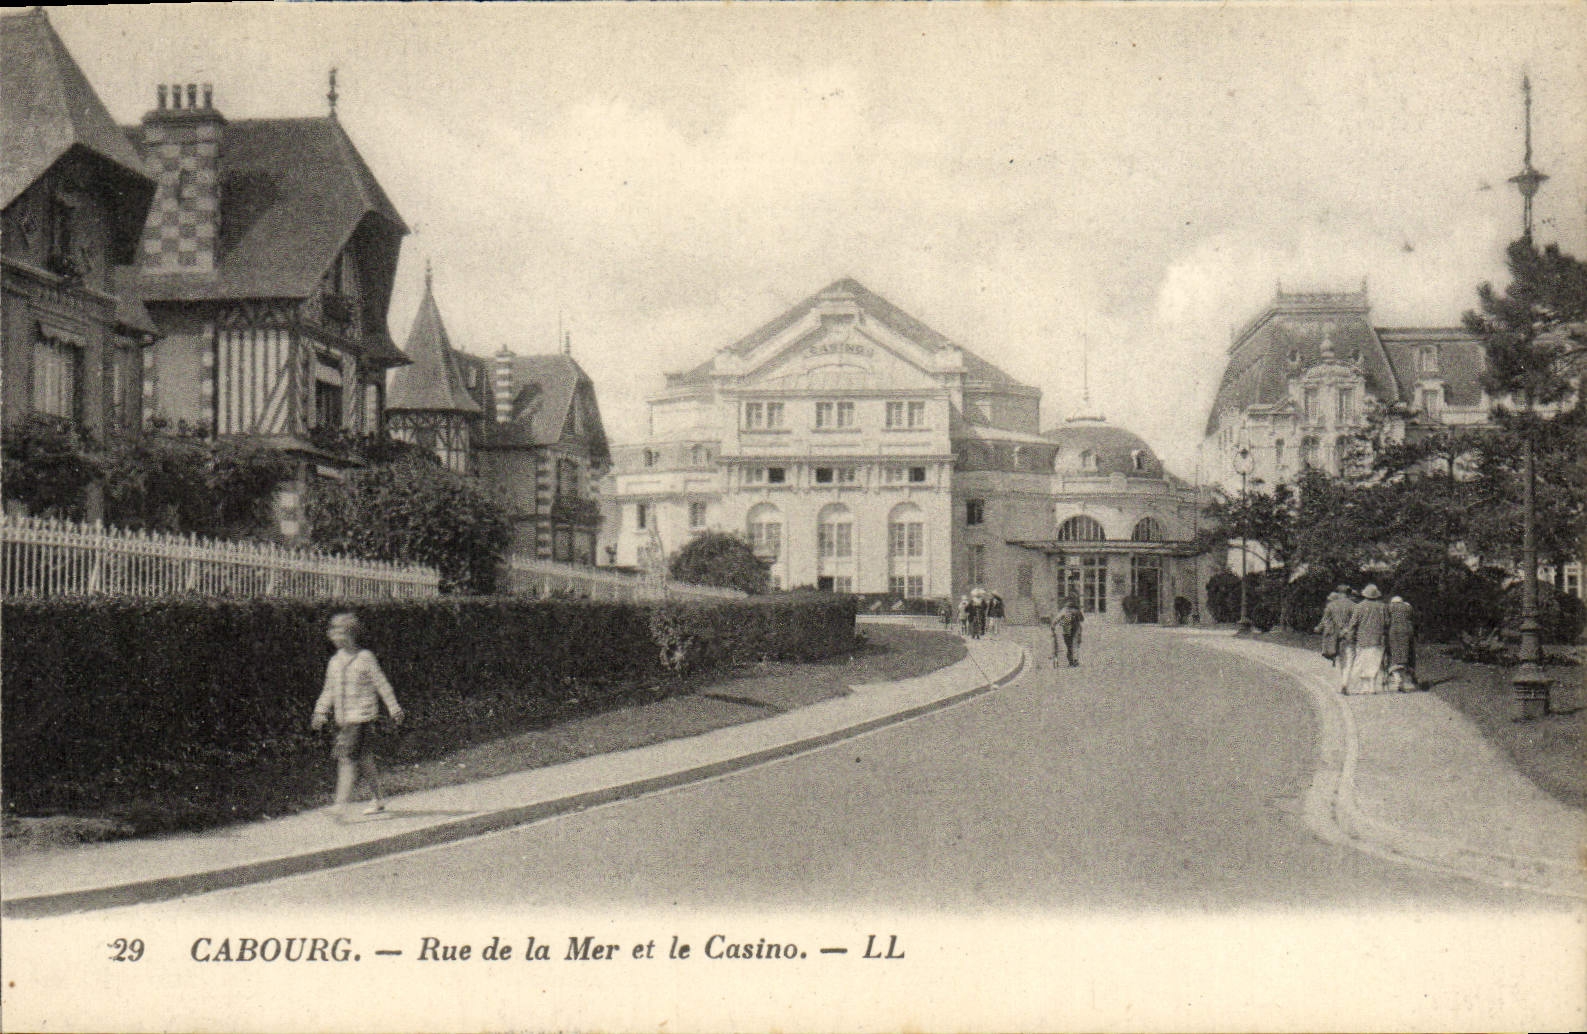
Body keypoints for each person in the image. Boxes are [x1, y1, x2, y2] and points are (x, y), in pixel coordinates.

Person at [312, 612, 405, 820]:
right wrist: (320, 710)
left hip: (361, 717)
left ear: (352, 634)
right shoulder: (334, 662)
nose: (335, 637)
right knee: (364, 758)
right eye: (333, 632)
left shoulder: (365, 658)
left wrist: (394, 707)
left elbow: (381, 684)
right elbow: (329, 690)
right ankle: (378, 799)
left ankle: (339, 806)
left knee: (346, 759)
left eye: (340, 632)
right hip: (344, 719)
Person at [1342, 584, 1390, 695]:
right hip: (1378, 639)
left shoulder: (1359, 607)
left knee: (1362, 663)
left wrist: (1350, 634)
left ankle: (1362, 687)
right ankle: (1372, 687)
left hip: (1362, 639)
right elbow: (1387, 622)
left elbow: (1353, 623)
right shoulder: (1382, 607)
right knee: (1374, 663)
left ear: (1365, 595)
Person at [1315, 585, 1357, 691]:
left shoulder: (1331, 605)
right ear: (1348, 594)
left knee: (1340, 660)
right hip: (1349, 636)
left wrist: (1318, 628)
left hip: (1335, 637)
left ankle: (1341, 683)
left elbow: (1325, 620)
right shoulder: (1354, 606)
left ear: (1338, 593)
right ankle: (1345, 683)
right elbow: (1356, 622)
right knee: (1349, 659)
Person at [1386, 594, 1418, 691]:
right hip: (1407, 631)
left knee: (1394, 655)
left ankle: (1397, 679)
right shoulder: (1408, 607)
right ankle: (1405, 680)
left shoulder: (1389, 607)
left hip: (1394, 632)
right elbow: (1413, 619)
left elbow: (1386, 621)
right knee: (1406, 655)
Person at [1053, 596, 1084, 667]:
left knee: (1068, 645)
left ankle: (1070, 661)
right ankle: (1075, 660)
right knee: (1075, 644)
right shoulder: (1076, 610)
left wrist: (1053, 625)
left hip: (1066, 627)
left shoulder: (1064, 610)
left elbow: (1057, 619)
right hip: (1076, 628)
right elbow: (1082, 619)